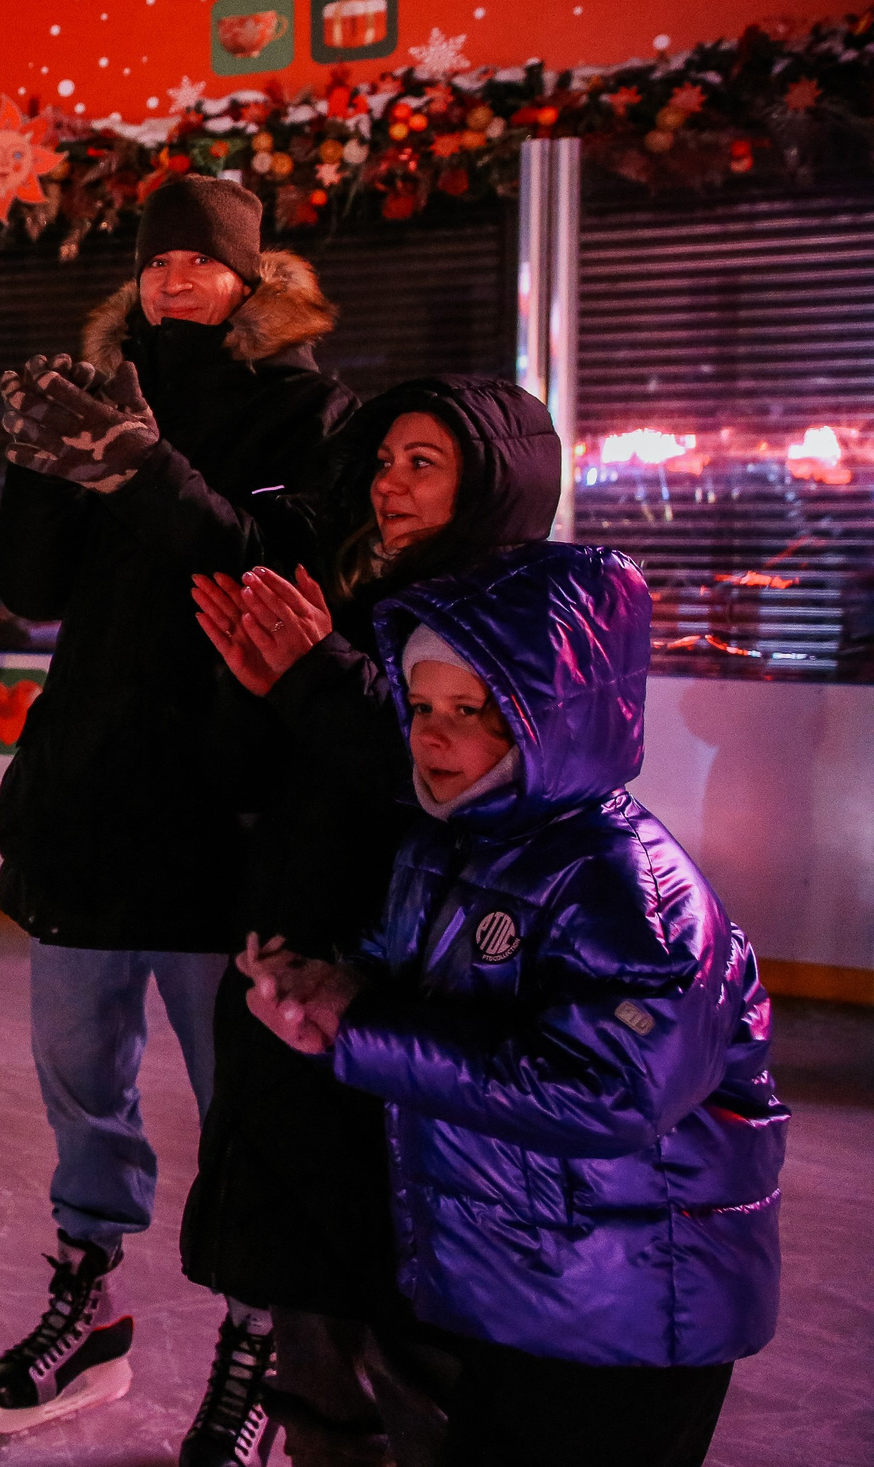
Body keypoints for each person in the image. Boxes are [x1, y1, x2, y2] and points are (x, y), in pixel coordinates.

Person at [241, 542, 785, 1467]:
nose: (431, 735)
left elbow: (610, 1092)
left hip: (635, 1311)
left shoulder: (636, 896)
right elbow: (400, 973)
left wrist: (363, 1031)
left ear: (555, 715)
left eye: (472, 711)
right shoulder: (447, 846)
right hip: (520, 1288)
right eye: (420, 707)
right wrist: (322, 988)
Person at [0, 175, 355, 1464]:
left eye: (199, 261)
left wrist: (143, 467)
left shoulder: (305, 409)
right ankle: (87, 1295)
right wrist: (39, 465)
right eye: (154, 264)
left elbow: (269, 571)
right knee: (80, 1082)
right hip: (87, 806)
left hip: (223, 818)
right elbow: (28, 592)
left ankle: (260, 1344)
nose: (172, 279)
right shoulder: (104, 391)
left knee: (240, 1104)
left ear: (251, 279)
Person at [177, 378, 561, 1467]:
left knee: (409, 1314)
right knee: (304, 1282)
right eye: (385, 461)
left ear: (491, 480)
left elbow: (435, 780)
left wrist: (312, 680)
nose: (390, 485)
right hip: (299, 968)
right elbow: (255, 777)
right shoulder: (349, 597)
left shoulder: (516, 622)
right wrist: (253, 687)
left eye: (423, 463)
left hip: (416, 984)